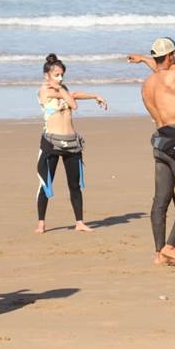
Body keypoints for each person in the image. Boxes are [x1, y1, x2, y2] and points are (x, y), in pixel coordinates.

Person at [128, 37, 175, 266]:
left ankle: (159, 253)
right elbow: (168, 68)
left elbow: (159, 69)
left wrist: (143, 60)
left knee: (160, 200)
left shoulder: (147, 85)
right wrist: (147, 60)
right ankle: (171, 246)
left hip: (160, 142)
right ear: (170, 56)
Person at [35, 54, 108, 234]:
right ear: (47, 76)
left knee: (74, 185)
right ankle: (41, 223)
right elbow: (72, 103)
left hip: (71, 143)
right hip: (51, 142)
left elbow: (73, 95)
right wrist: (65, 93)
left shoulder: (63, 89)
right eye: (57, 75)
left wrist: (94, 96)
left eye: (62, 75)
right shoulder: (44, 90)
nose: (60, 78)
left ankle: (79, 222)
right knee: (46, 183)